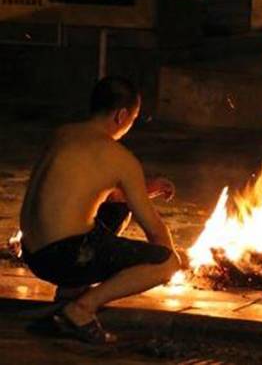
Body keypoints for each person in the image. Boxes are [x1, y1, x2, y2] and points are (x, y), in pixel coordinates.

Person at [20, 76, 183, 343]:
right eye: (133, 118)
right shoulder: (119, 158)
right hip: (67, 256)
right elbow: (154, 228)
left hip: (33, 252)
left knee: (117, 208)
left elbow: (81, 187)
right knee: (166, 263)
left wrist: (144, 188)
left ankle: (68, 296)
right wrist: (168, 264)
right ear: (121, 116)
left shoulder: (63, 133)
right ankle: (81, 309)